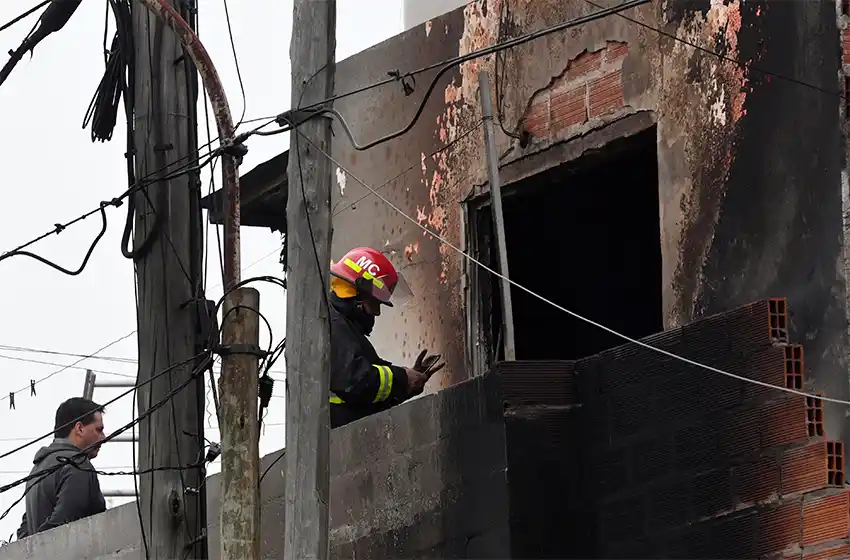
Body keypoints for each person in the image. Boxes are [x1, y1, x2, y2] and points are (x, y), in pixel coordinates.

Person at [329, 247, 445, 429]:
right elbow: (356, 382)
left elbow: (370, 395)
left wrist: (407, 387)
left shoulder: (345, 329)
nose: (377, 311)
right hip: (333, 446)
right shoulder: (332, 326)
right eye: (376, 302)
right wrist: (403, 379)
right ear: (359, 293)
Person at [16, 397, 106, 539]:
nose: (103, 437)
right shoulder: (77, 465)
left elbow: (24, 533)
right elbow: (65, 525)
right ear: (79, 428)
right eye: (99, 430)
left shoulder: (37, 469)